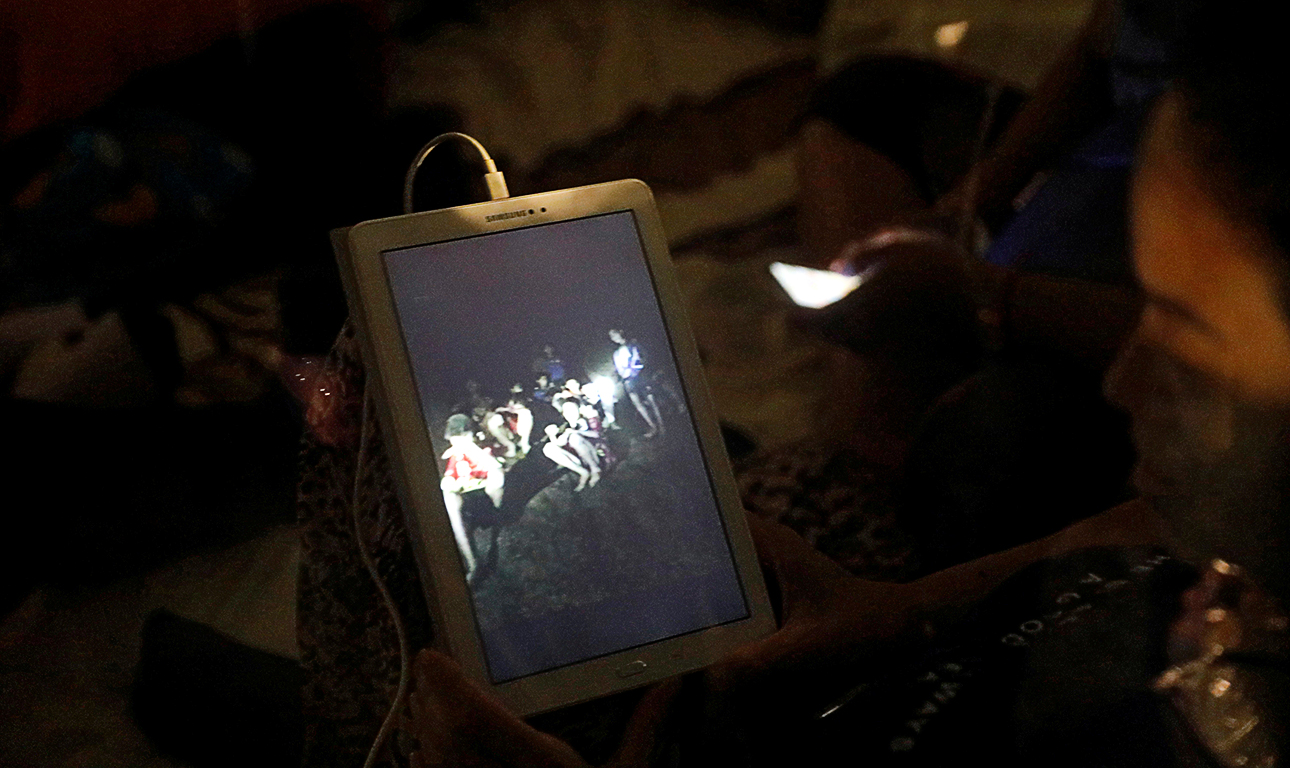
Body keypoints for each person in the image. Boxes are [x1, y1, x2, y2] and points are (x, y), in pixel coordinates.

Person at [405, 5, 1290, 765]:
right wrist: (901, 615)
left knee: (990, 437)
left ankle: (884, 460)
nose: (1127, 379)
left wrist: (989, 303)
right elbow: (1142, 523)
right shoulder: (1188, 560)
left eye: (1182, 332)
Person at [439, 413, 504, 581]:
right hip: (467, 498)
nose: (455, 442)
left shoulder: (483, 450)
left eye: (460, 437)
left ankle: (495, 521)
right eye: (453, 439)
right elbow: (450, 479)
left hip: (486, 497)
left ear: (469, 436)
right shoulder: (455, 455)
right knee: (449, 499)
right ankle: (473, 563)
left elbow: (497, 475)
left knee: (497, 478)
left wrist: (473, 449)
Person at [609, 329, 663, 438]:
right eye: (611, 336)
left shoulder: (634, 344)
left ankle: (661, 425)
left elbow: (643, 359)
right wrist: (625, 373)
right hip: (629, 381)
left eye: (614, 333)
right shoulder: (616, 353)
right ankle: (653, 426)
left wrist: (636, 369)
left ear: (620, 331)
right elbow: (620, 370)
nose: (613, 337)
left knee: (652, 401)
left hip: (642, 377)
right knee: (638, 404)